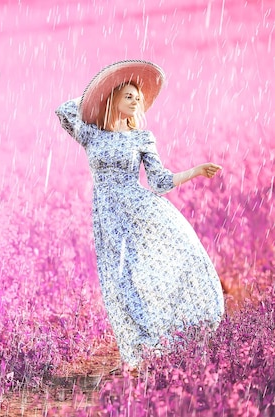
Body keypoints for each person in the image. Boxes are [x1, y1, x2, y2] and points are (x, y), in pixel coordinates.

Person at [55, 60, 225, 369]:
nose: (136, 101)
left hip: (140, 211)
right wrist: (99, 92)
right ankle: (136, 349)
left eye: (138, 97)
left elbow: (159, 182)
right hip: (107, 216)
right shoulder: (92, 135)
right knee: (118, 281)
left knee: (142, 275)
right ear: (114, 101)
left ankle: (157, 342)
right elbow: (64, 111)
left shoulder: (142, 138)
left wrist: (196, 171)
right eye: (128, 96)